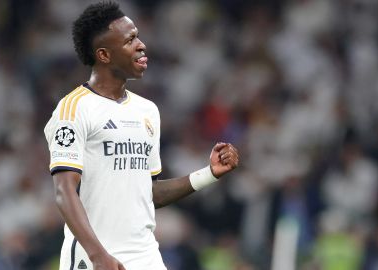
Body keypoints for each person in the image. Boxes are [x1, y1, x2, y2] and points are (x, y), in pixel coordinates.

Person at [43, 2, 239, 270]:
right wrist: (99, 256)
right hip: (95, 256)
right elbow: (64, 191)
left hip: (145, 254)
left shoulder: (147, 111)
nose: (142, 45)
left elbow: (149, 193)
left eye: (138, 36)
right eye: (130, 40)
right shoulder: (74, 109)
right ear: (104, 54)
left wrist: (209, 174)